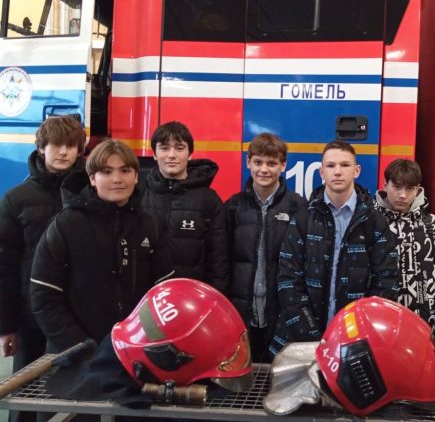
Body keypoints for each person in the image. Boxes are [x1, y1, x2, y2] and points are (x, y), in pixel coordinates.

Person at [30, 139, 174, 353]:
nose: (117, 179)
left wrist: (147, 340)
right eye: (106, 172)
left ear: (136, 176)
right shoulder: (66, 225)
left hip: (136, 351)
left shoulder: (149, 226)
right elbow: (44, 295)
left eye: (125, 170)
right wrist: (80, 347)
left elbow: (164, 290)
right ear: (92, 179)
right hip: (78, 356)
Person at [270, 140, 399, 356]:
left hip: (354, 345)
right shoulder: (303, 219)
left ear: (357, 171)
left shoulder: (375, 222)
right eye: (330, 166)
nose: (337, 172)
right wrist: (310, 336)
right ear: (321, 172)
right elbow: (288, 280)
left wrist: (354, 333)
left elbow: (386, 282)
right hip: (301, 342)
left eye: (345, 165)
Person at [0, 116, 85, 422]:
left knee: (77, 401)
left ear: (80, 150)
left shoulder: (90, 194)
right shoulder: (16, 199)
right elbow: (5, 267)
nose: (63, 152)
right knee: (24, 398)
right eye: (56, 145)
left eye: (70, 146)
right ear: (41, 148)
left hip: (80, 316)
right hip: (30, 318)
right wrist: (6, 325)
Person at [225, 133, 306, 362]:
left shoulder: (298, 206)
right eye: (258, 162)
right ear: (248, 162)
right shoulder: (233, 207)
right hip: (242, 311)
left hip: (281, 313)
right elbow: (222, 261)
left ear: (283, 165)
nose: (264, 169)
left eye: (271, 163)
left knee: (278, 375)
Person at [374, 159, 435, 351]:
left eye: (410, 188)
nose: (403, 195)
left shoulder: (433, 227)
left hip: (424, 332)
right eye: (397, 187)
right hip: (379, 330)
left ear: (418, 189)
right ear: (385, 185)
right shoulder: (370, 223)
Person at [142, 121, 229, 293]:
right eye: (164, 148)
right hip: (146, 298)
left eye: (179, 148)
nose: (171, 155)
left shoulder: (209, 200)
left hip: (192, 298)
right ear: (154, 154)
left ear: (190, 154)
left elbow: (219, 262)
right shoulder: (138, 195)